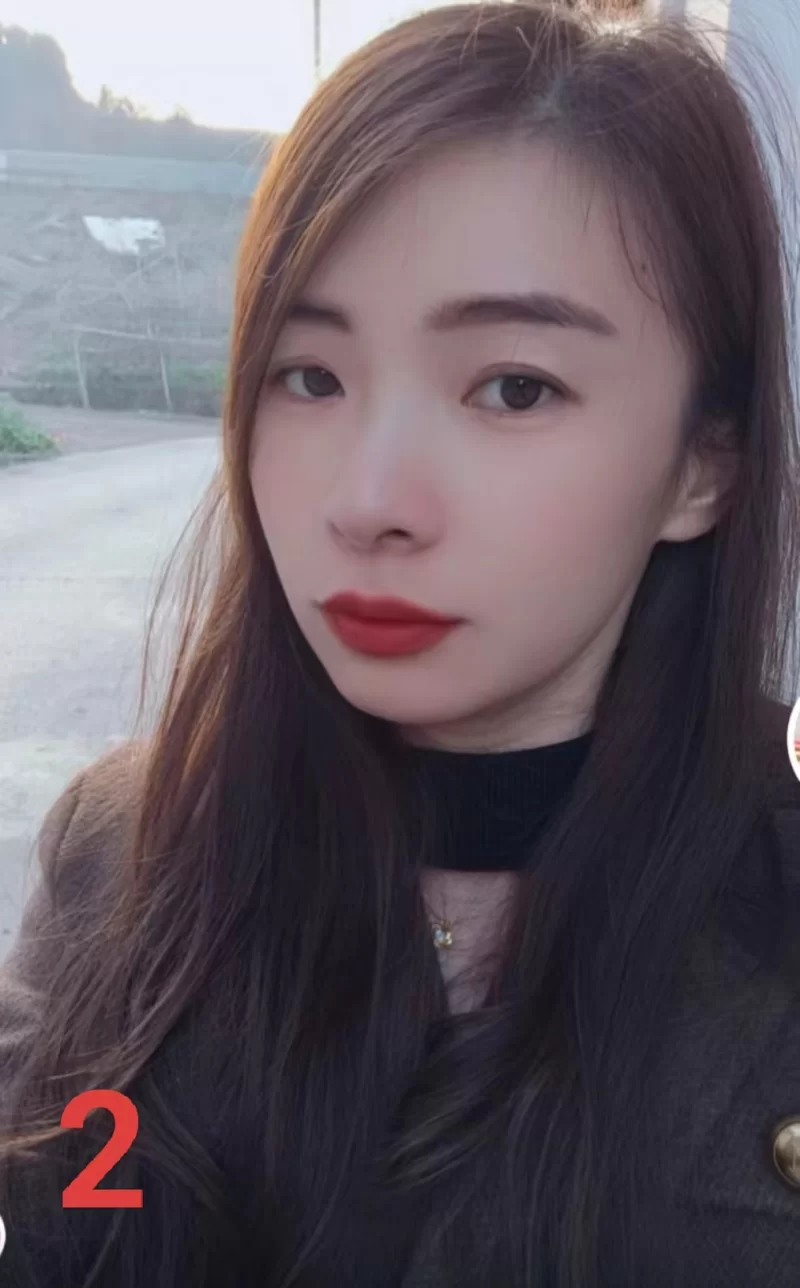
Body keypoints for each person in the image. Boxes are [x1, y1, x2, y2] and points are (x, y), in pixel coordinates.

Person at [1, 2, 799, 1285]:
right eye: (309, 376)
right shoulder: (121, 855)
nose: (366, 500)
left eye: (513, 387)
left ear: (702, 466)